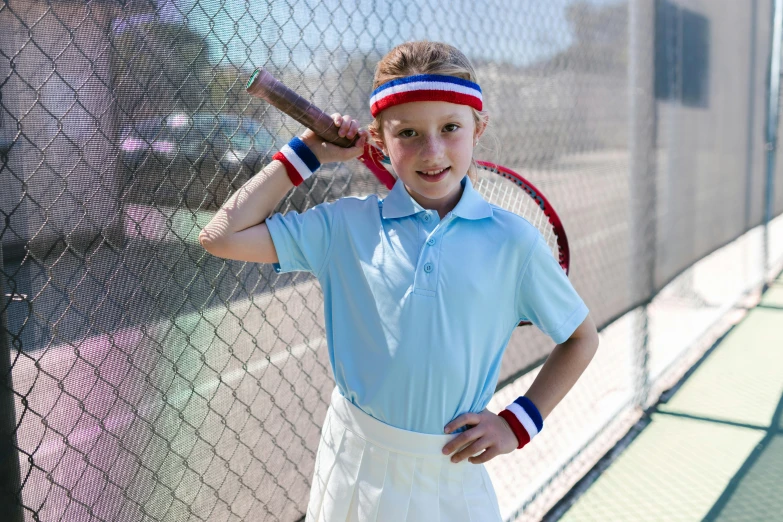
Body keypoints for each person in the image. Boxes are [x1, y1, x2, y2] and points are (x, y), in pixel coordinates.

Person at [199, 40, 599, 522]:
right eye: (407, 133)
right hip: (351, 460)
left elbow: (580, 338)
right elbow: (221, 236)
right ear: (378, 142)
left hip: (449, 470)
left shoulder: (514, 241)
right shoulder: (343, 226)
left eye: (450, 128)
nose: (432, 151)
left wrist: (518, 423)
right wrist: (307, 152)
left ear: (479, 127)